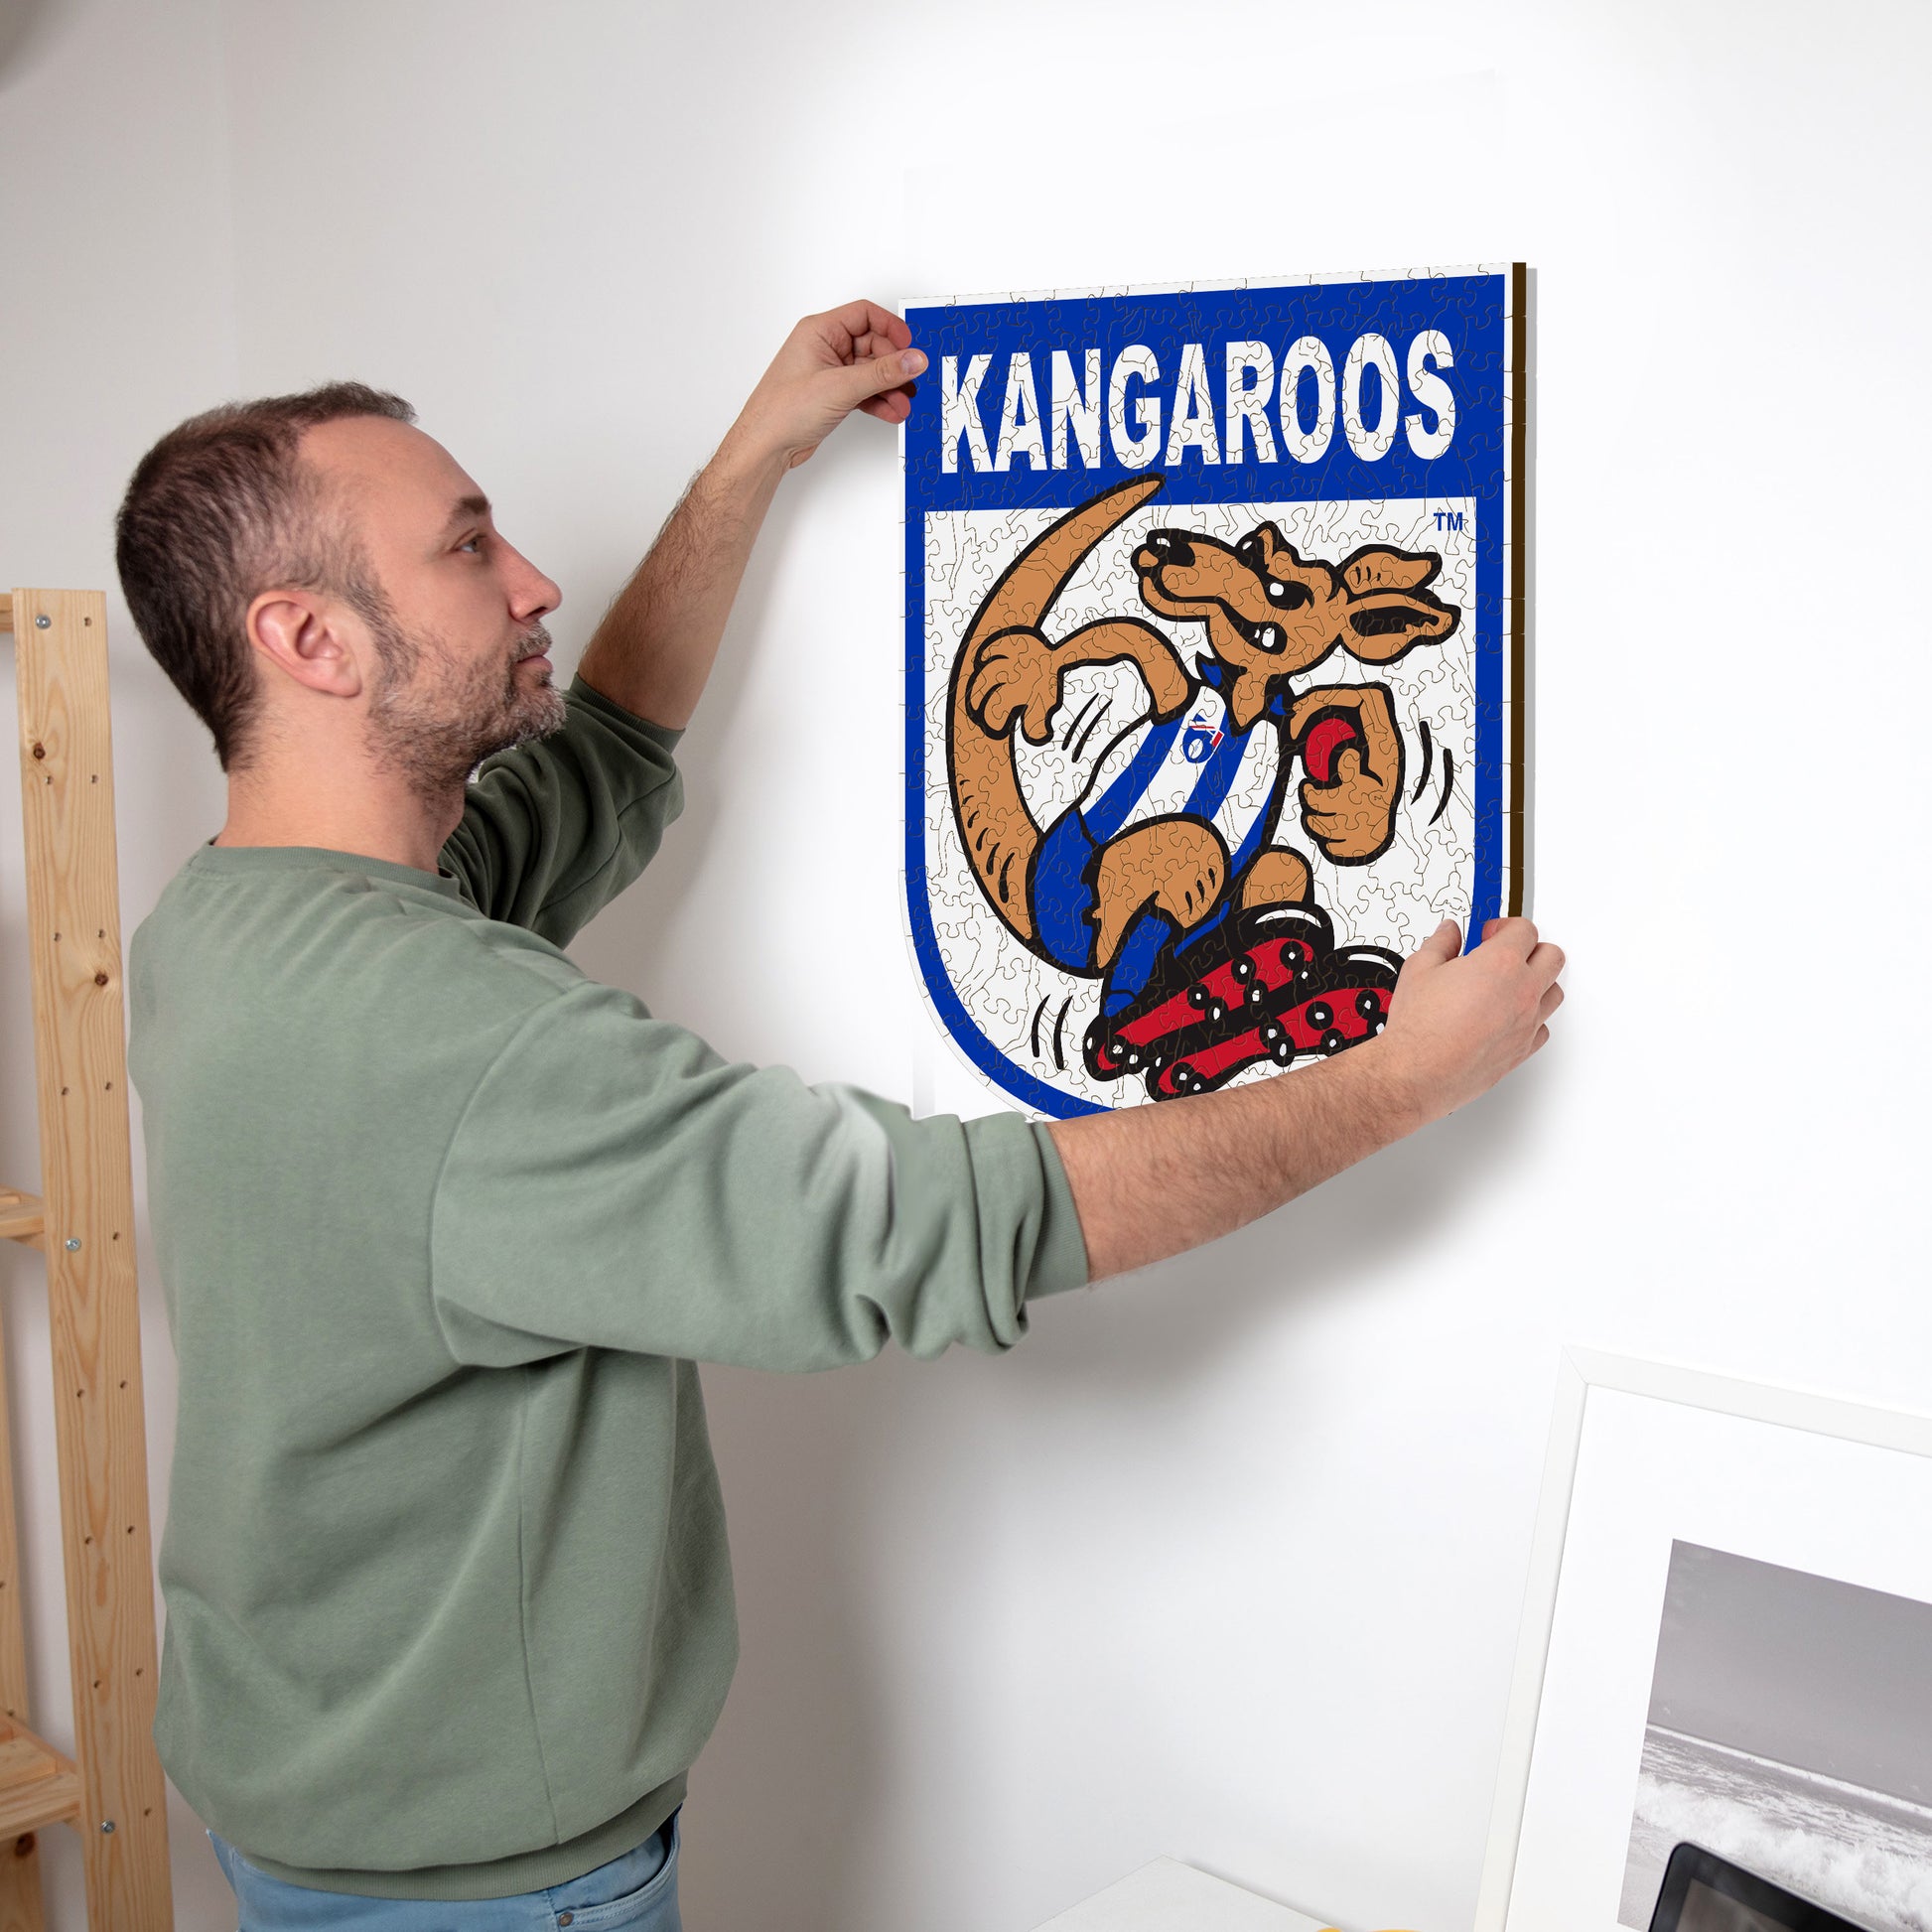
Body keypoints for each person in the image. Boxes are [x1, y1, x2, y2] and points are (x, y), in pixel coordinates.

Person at [115, 300, 1563, 1931]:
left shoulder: (226, 926)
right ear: (308, 640)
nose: (532, 580)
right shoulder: (451, 1039)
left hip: (316, 1806)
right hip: (485, 1893)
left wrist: (754, 455)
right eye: (465, 548)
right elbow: (938, 1221)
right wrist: (1391, 1083)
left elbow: (596, 753)